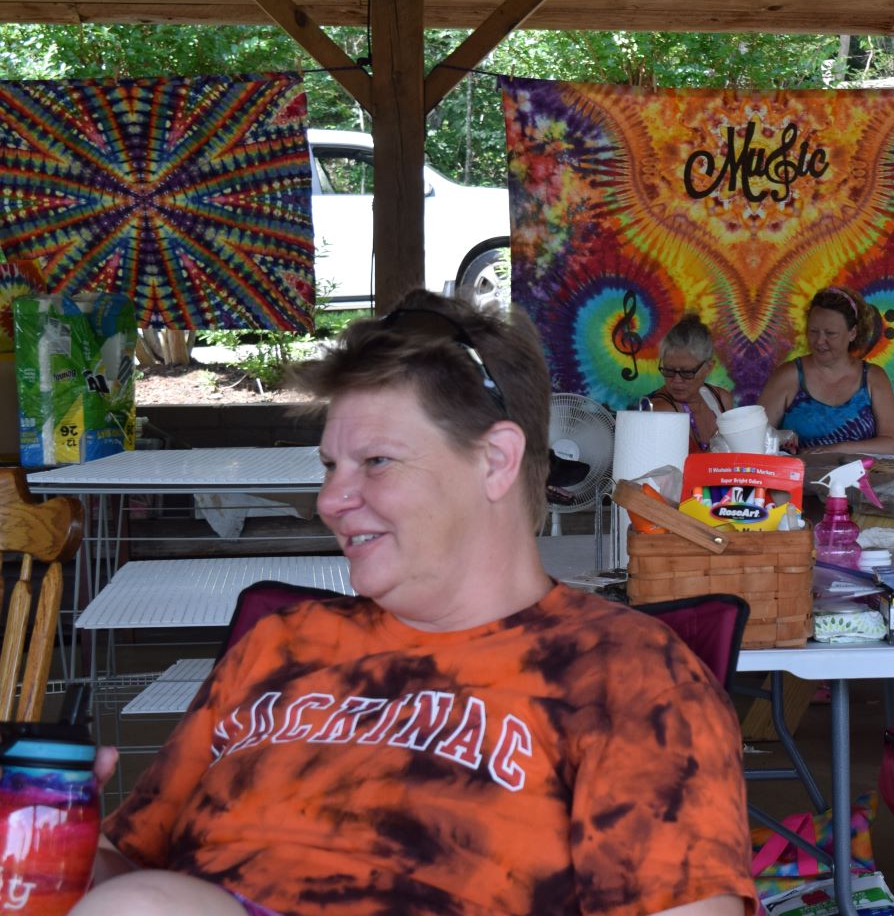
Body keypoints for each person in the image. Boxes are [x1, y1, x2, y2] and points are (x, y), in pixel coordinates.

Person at [78, 290, 753, 916]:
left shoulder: (627, 676)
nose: (329, 500)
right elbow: (123, 865)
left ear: (496, 461)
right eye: (330, 466)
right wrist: (51, 834)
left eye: (376, 462)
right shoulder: (282, 643)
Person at [759, 286, 894, 455]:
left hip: (864, 473)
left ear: (852, 333)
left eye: (830, 333)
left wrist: (835, 450)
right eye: (813, 331)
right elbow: (755, 439)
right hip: (801, 473)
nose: (820, 341)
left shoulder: (873, 377)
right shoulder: (788, 376)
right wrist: (779, 439)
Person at [643, 314, 734, 452]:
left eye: (686, 372)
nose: (676, 380)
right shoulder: (661, 410)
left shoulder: (722, 400)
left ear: (709, 367)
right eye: (669, 370)